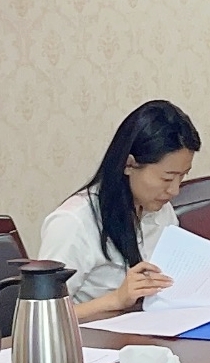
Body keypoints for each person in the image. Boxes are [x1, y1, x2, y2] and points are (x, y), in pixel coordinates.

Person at [37, 100, 201, 322]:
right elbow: (43, 317)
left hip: (149, 330)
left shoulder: (160, 208)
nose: (174, 190)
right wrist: (115, 299)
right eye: (167, 178)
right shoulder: (73, 222)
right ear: (129, 164)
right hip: (92, 339)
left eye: (183, 176)